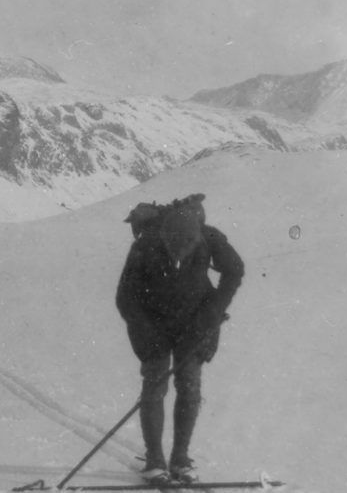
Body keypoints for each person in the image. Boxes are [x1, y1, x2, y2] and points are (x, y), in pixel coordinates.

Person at [115, 194, 244, 484]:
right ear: (163, 236)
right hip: (154, 325)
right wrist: (147, 335)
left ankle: (180, 458)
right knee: (154, 385)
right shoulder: (145, 244)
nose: (179, 255)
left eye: (187, 247)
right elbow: (125, 297)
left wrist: (211, 314)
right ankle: (155, 460)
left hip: (195, 324)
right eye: (173, 248)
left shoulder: (208, 237)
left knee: (189, 386)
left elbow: (235, 270)